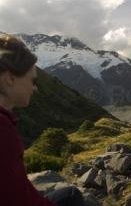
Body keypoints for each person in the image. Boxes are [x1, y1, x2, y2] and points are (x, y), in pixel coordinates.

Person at [0, 33, 84, 206]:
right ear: (10, 78)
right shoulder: (2, 129)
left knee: (69, 194)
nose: (35, 88)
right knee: (72, 196)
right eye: (32, 80)